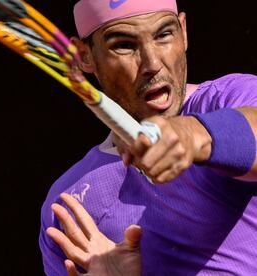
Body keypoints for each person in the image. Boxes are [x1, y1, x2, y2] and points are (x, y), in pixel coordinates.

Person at [39, 0, 257, 275]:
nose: (152, 63)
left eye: (164, 34)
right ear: (84, 56)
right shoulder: (69, 205)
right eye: (124, 45)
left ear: (184, 31)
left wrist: (191, 134)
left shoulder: (234, 97)